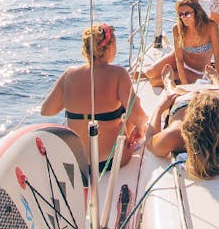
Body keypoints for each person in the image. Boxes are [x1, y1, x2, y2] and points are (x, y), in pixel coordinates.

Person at [40, 23, 145, 172]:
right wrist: (140, 128)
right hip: (112, 160)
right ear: (110, 47)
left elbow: (46, 110)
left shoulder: (69, 74)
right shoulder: (118, 74)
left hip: (78, 163)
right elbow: (138, 117)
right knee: (132, 107)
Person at [145, 68, 219, 179]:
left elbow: (149, 139)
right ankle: (215, 82)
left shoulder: (174, 134)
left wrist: (160, 108)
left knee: (172, 94)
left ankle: (171, 86)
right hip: (216, 98)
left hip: (185, 102)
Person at [143, 0, 219, 86]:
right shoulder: (177, 29)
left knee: (154, 82)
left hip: (196, 71)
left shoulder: (210, 26)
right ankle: (149, 74)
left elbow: (217, 55)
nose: (183, 18)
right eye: (181, 14)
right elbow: (179, 59)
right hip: (181, 61)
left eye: (187, 14)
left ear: (197, 12)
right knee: (149, 73)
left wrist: (217, 79)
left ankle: (175, 75)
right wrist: (184, 83)